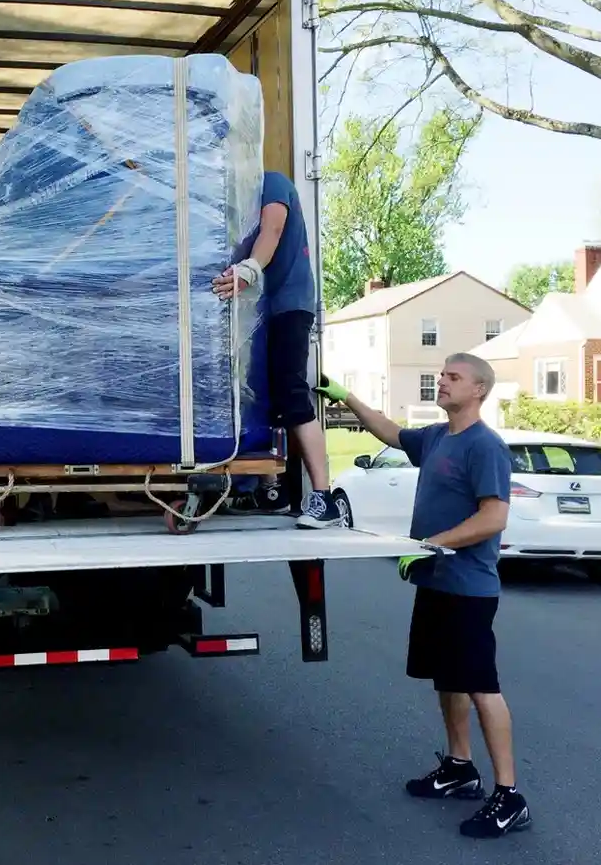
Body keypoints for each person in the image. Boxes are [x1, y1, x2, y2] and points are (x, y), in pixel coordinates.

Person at [316, 353, 531, 840]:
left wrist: (435, 544)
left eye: (453, 377)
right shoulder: (436, 437)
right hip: (437, 583)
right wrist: (343, 396)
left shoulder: (485, 446)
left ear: (478, 389)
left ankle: (509, 796)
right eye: (442, 375)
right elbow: (388, 431)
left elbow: (494, 517)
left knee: (481, 686)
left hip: (469, 589)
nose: (443, 381)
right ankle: (460, 767)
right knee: (448, 679)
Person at [212, 169, 344, 529]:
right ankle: (270, 491)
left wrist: (249, 270)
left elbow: (273, 229)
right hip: (263, 308)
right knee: (261, 392)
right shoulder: (237, 199)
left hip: (290, 303)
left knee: (290, 392)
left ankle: (324, 497)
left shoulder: (271, 181)